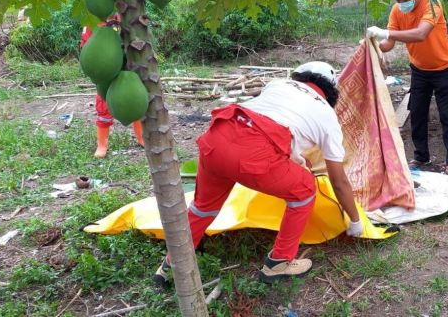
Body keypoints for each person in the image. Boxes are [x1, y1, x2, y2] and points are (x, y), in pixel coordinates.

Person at [153, 61, 364, 285]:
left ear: (300, 77)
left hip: (218, 136)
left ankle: (171, 265)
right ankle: (279, 262)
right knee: (305, 189)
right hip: (254, 153)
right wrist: (355, 220)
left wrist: (295, 158)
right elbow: (339, 181)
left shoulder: (278, 84)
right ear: (330, 92)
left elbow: (269, 121)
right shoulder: (326, 114)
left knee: (203, 207)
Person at [367, 0, 448, 176]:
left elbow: (420, 34)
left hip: (445, 68)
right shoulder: (397, 10)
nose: (402, 3)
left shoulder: (432, 5)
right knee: (417, 113)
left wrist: (385, 32)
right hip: (419, 69)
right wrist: (372, 44)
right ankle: (421, 156)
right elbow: (389, 43)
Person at [80, 16, 144, 158]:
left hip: (127, 68)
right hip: (106, 73)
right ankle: (102, 145)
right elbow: (87, 47)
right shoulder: (91, 22)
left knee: (134, 101)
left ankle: (142, 137)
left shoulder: (123, 17)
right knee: (103, 106)